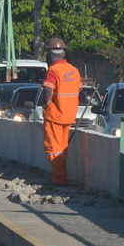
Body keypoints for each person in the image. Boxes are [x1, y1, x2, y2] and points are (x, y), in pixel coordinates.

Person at [39, 36, 82, 185]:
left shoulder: (53, 70)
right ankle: (60, 176)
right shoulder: (74, 70)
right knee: (62, 149)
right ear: (63, 52)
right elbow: (79, 89)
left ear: (50, 53)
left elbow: (47, 90)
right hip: (69, 116)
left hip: (55, 115)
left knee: (53, 148)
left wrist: (46, 104)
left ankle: (60, 178)